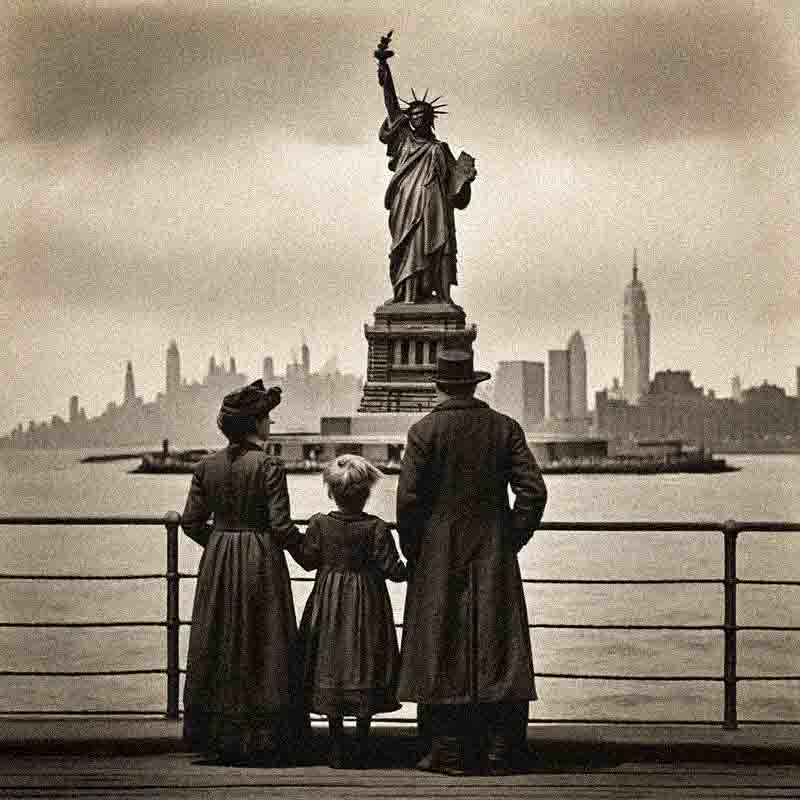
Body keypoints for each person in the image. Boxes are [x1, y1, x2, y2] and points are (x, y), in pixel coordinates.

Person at [396, 350, 548, 775]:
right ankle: (501, 749)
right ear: (474, 383)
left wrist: (416, 551)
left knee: (439, 642)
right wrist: (510, 537)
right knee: (498, 642)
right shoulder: (505, 428)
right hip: (493, 550)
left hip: (438, 554)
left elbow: (408, 502)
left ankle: (446, 750)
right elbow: (533, 492)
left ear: (440, 385)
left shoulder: (423, 432)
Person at [181, 380, 305, 765]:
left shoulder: (206, 466)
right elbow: (281, 526)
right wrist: (309, 554)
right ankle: (265, 739)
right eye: (267, 417)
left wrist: (220, 544)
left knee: (217, 639)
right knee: (263, 640)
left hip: (218, 557)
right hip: (260, 559)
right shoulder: (268, 465)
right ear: (257, 423)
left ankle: (217, 737)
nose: (270, 423)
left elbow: (190, 522)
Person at [296, 454, 407, 768]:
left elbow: (307, 560)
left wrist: (289, 538)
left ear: (331, 492)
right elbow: (394, 570)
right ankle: (361, 741)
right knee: (365, 661)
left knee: (328, 661)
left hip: (328, 601)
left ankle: (335, 744)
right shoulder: (376, 527)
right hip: (367, 603)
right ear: (366, 493)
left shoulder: (319, 523)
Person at [375, 35, 476, 304]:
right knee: (408, 246)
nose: (417, 119)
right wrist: (384, 69)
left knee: (440, 245)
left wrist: (466, 180)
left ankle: (444, 297)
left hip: (435, 206)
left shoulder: (440, 148)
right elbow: (391, 103)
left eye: (422, 116)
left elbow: (458, 195)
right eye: (414, 115)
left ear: (430, 120)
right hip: (406, 203)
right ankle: (407, 295)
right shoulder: (404, 140)